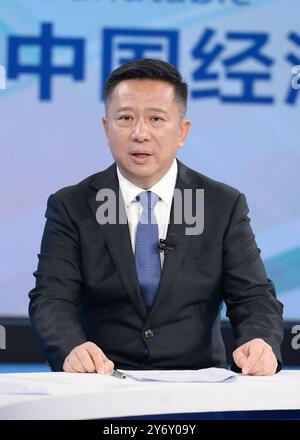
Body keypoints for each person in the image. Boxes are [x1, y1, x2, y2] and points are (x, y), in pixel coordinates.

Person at [29, 59, 284, 376]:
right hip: (99, 383)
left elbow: (253, 297)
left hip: (197, 387)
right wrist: (71, 348)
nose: (140, 133)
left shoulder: (222, 204)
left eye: (156, 119)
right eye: (125, 118)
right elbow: (52, 298)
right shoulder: (72, 205)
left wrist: (260, 342)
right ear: (106, 129)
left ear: (182, 132)